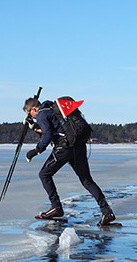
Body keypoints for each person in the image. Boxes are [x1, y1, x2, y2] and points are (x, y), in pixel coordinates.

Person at [25, 95, 117, 226]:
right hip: (78, 145)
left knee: (44, 174)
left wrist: (35, 151)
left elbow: (47, 135)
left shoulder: (41, 114)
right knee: (86, 180)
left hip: (65, 148)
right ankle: (107, 212)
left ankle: (56, 208)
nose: (32, 117)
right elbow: (53, 130)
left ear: (33, 108)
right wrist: (34, 127)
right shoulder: (51, 109)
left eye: (30, 114)